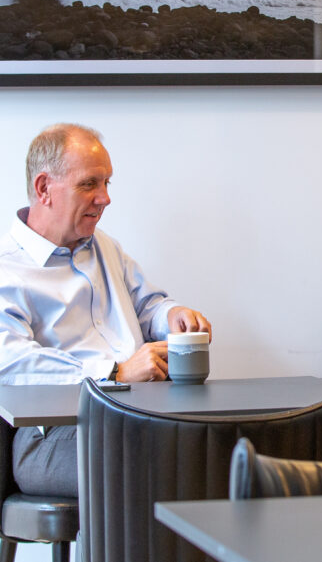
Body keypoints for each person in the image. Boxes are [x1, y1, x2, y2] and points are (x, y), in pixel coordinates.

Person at [0, 124, 212, 497]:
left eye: (107, 183)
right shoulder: (7, 266)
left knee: (227, 443)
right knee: (164, 460)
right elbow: (12, 361)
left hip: (144, 417)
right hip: (55, 434)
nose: (104, 198)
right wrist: (115, 372)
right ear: (44, 188)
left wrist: (172, 316)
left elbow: (148, 305)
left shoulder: (105, 247)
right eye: (89, 184)